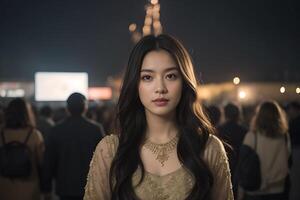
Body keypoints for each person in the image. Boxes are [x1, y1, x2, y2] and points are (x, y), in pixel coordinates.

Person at [84, 34, 233, 200]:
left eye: (171, 76)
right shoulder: (110, 151)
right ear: (136, 84)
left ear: (184, 82)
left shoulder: (209, 149)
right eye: (147, 77)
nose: (160, 88)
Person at [41, 93, 105, 200]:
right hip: (90, 185)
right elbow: (104, 160)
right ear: (85, 107)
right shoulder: (95, 129)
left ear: (67, 108)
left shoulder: (56, 130)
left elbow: (49, 161)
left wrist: (46, 187)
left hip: (64, 186)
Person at [242, 101, 291, 200]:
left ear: (258, 116)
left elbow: (243, 163)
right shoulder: (284, 136)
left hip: (256, 188)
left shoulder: (252, 136)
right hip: (278, 189)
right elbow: (289, 159)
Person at [0, 98, 44, 200]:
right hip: (29, 188)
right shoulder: (34, 135)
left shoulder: (1, 133)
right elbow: (41, 162)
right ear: (27, 114)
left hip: (4, 189)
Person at [218, 103, 247, 199]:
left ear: (225, 114)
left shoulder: (219, 130)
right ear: (238, 114)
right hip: (239, 165)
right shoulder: (244, 131)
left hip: (223, 165)